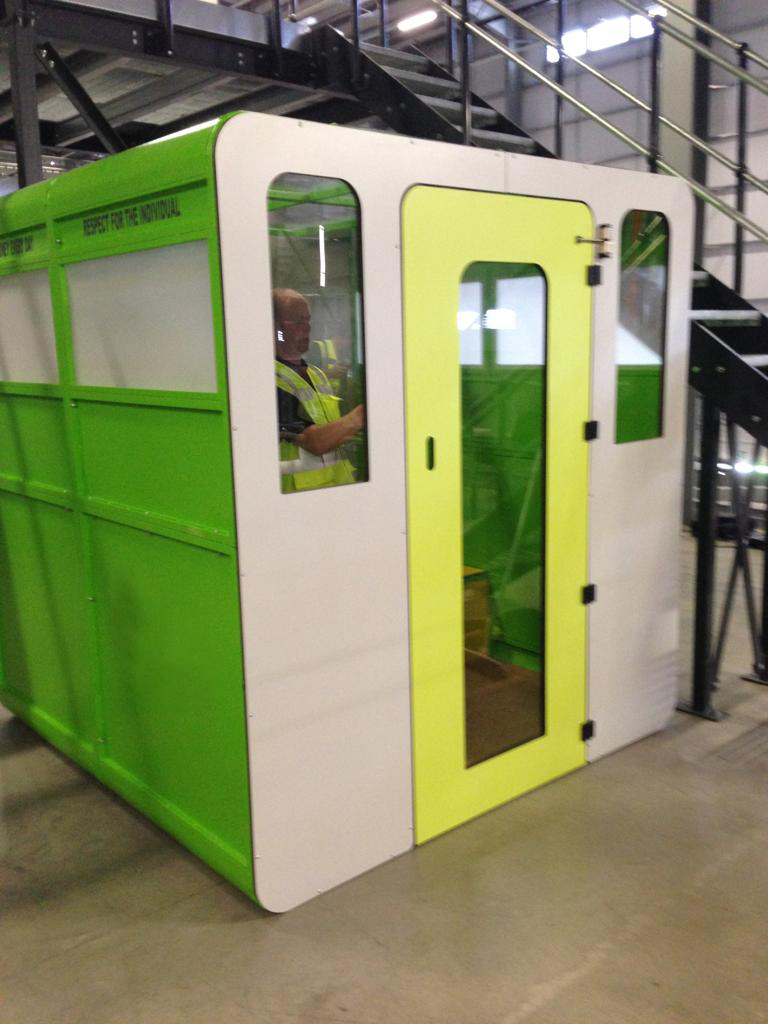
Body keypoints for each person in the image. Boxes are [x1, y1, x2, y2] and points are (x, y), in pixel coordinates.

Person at [273, 287, 364, 492]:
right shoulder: (269, 382)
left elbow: (332, 428)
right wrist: (362, 414)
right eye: (297, 321)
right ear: (275, 328)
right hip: (299, 497)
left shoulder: (316, 374)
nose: (306, 328)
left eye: (308, 320)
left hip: (336, 489)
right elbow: (314, 443)